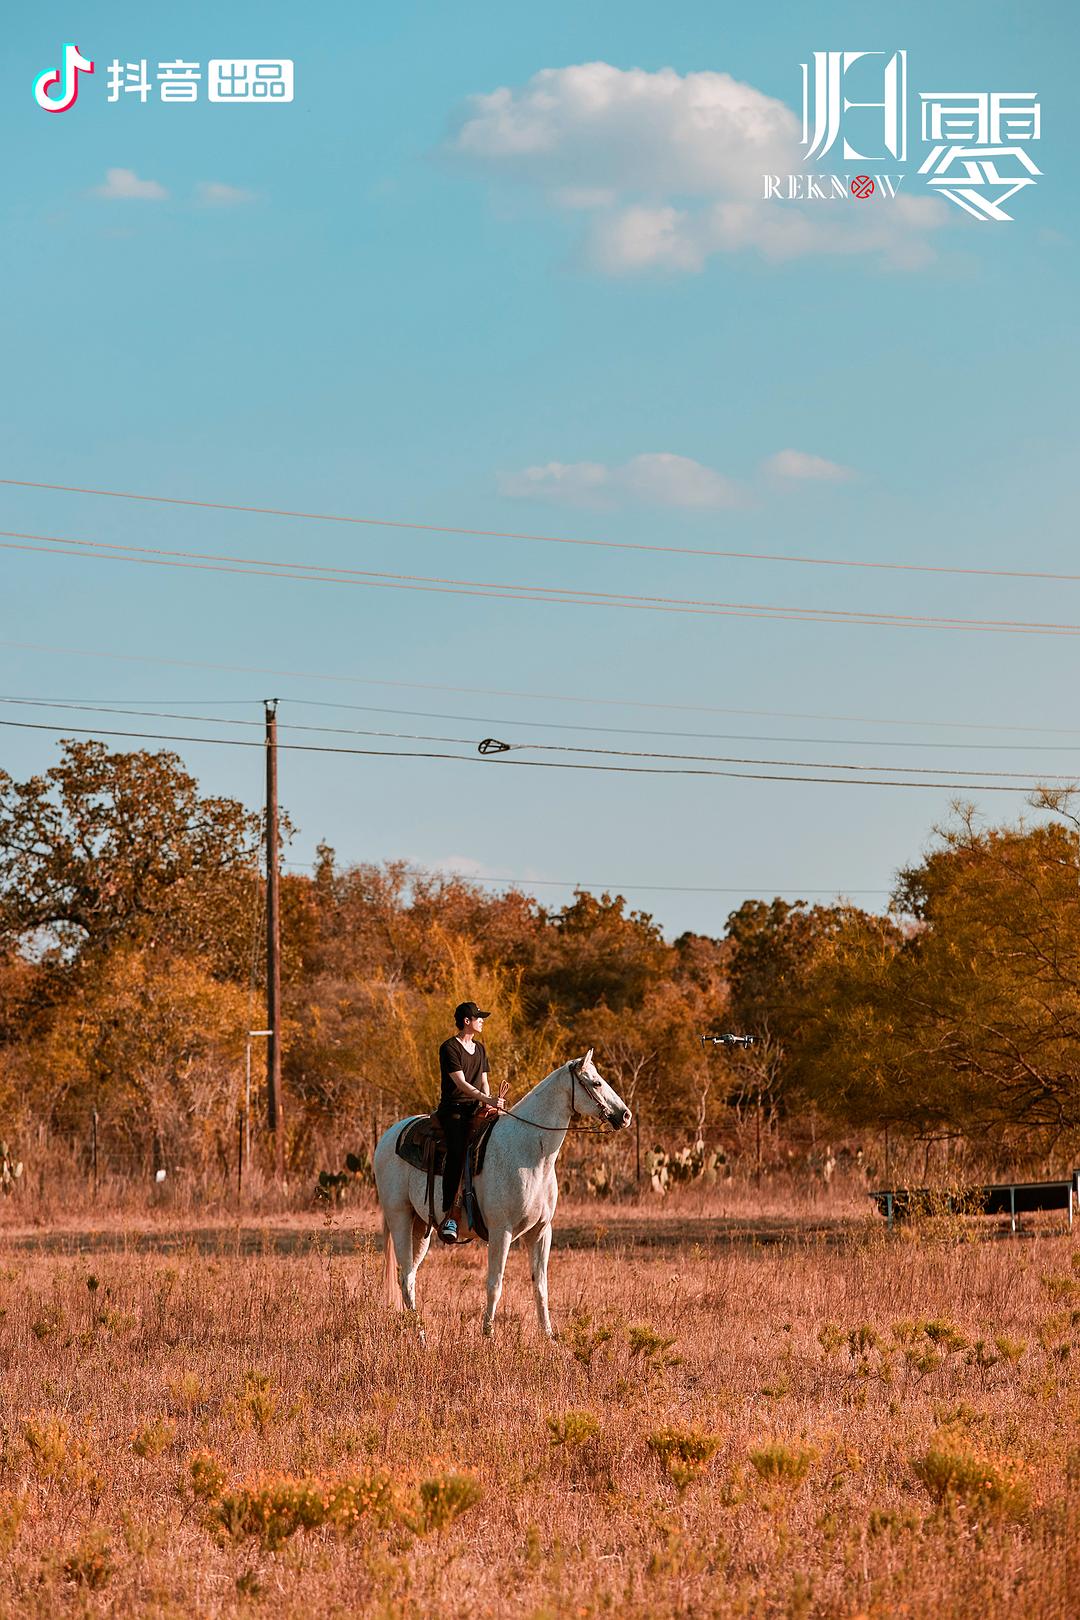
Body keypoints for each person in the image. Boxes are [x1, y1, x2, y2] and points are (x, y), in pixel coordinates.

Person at [436, 1001, 503, 1244]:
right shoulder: (449, 1048)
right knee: (457, 1150)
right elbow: (461, 1084)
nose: (482, 1021)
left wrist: (490, 1103)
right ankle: (450, 1214)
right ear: (467, 1021)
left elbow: (484, 1081)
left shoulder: (481, 1049)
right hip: (454, 1109)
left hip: (477, 1108)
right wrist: (487, 1099)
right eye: (479, 1018)